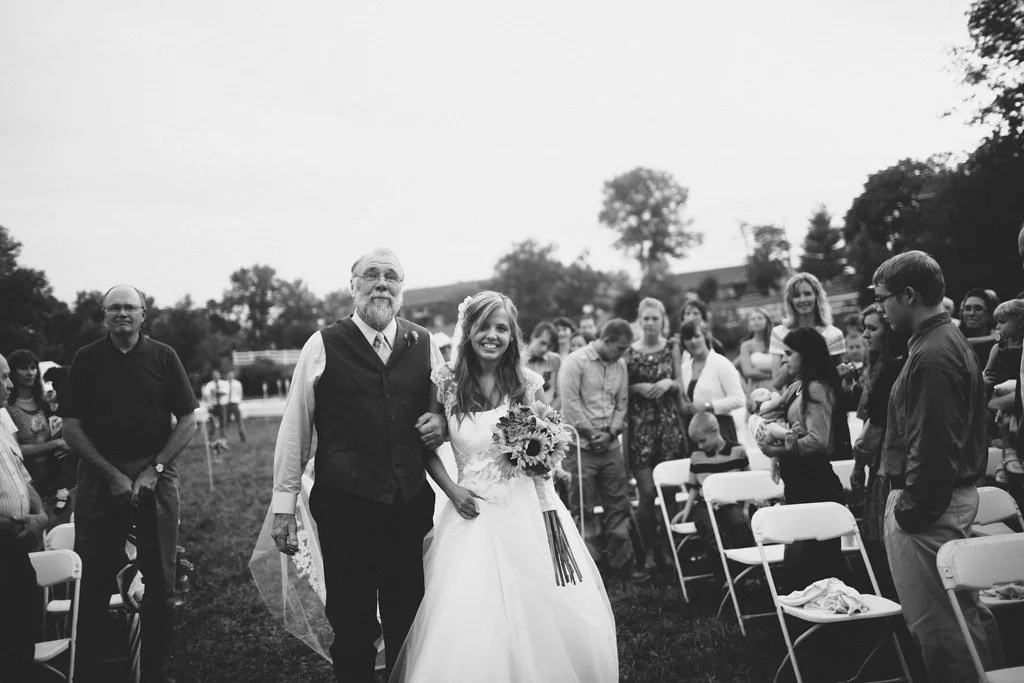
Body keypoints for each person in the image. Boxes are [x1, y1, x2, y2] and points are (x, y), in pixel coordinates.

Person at [390, 291, 617, 682]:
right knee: (474, 615)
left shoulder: (527, 384)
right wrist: (453, 491)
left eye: (501, 328)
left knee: (540, 607)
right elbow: (424, 449)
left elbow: (549, 443)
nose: (492, 336)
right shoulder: (445, 382)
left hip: (526, 511)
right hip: (471, 514)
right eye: (483, 327)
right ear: (468, 331)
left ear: (512, 335)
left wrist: (544, 458)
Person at [270, 247, 447, 681]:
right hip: (345, 507)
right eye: (371, 274)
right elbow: (295, 427)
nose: (382, 283)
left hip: (408, 505)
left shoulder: (425, 344)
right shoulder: (322, 345)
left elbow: (446, 409)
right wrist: (283, 506)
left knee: (409, 617)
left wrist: (441, 423)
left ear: (402, 289)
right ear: (353, 286)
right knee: (352, 624)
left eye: (392, 276)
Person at [873, 251, 1003, 682]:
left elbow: (933, 446)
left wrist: (909, 512)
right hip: (941, 503)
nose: (880, 308)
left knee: (942, 631)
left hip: (930, 510)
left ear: (909, 295)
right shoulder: (942, 341)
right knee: (963, 618)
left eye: (883, 298)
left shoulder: (932, 354)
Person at [59, 284, 199, 683]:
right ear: (104, 315)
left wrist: (154, 470)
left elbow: (188, 420)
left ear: (143, 314)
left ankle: (154, 670)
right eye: (114, 308)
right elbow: (71, 428)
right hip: (99, 476)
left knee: (161, 578)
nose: (122, 313)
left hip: (156, 473)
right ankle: (90, 670)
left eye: (129, 307)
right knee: (93, 575)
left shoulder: (164, 356)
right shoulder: (86, 359)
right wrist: (112, 475)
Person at [760, 327, 849, 592]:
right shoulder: (797, 387)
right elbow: (772, 414)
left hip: (815, 483)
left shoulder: (816, 388)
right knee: (803, 560)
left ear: (806, 354)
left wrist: (779, 451)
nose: (783, 359)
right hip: (798, 482)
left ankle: (827, 609)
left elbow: (820, 441)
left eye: (789, 353)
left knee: (813, 562)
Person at [559, 318, 643, 581]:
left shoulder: (620, 364)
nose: (624, 353)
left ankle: (622, 564)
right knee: (582, 507)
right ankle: (590, 567)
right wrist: (591, 433)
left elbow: (622, 402)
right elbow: (570, 403)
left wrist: (611, 433)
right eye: (621, 348)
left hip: (610, 445)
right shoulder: (575, 362)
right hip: (580, 447)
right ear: (606, 340)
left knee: (618, 503)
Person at [848, 306, 907, 597]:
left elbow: (876, 426)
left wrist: (858, 464)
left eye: (872, 328)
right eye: (864, 328)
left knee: (883, 542)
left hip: (886, 462)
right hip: (888, 460)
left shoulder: (889, 369)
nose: (865, 335)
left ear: (889, 331)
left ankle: (891, 603)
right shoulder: (886, 363)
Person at [625, 297, 686, 572]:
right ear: (640, 320)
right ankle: (648, 551)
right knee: (647, 493)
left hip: (668, 426)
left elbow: (680, 383)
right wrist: (637, 388)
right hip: (641, 429)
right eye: (646, 318)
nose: (650, 323)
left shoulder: (671, 347)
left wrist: (669, 382)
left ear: (663, 321)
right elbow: (622, 390)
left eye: (655, 318)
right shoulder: (629, 352)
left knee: (670, 494)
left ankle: (669, 549)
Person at [0, 352, 49, 682]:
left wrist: (40, 515)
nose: (9, 384)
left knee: (26, 625)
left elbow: (22, 475)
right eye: (3, 377)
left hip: (18, 544)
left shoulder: (3, 421)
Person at [6, 348, 75, 523]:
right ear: (12, 373)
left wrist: (65, 442)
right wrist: (56, 444)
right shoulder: (7, 409)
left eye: (33, 367)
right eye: (23, 368)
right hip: (28, 488)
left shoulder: (44, 403)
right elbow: (14, 450)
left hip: (57, 483)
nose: (30, 373)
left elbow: (55, 435)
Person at [681, 413, 753, 572]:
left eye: (702, 440)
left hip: (730, 503)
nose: (700, 446)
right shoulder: (696, 457)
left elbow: (748, 481)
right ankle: (722, 568)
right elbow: (694, 487)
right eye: (697, 442)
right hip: (705, 504)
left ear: (715, 430)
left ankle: (745, 570)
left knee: (739, 524)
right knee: (707, 528)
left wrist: (746, 508)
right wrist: (686, 510)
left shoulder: (738, 451)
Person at [769, 272, 845, 390]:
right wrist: (798, 351)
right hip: (793, 399)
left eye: (807, 294)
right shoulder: (779, 333)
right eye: (796, 295)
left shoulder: (833, 334)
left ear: (817, 296)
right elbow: (777, 383)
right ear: (790, 300)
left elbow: (841, 379)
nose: (802, 299)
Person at [679, 319, 745, 446]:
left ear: (706, 336)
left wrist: (707, 406)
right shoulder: (684, 368)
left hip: (720, 428)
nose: (693, 341)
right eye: (688, 338)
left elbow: (738, 399)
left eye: (697, 336)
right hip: (695, 432)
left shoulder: (721, 363)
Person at [958, 288, 999, 367]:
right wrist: (992, 337)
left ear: (989, 313)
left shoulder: (998, 345)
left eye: (978, 308)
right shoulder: (953, 333)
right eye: (967, 308)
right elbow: (958, 343)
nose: (971, 313)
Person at [524, 321, 561, 408]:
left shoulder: (554, 360)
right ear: (533, 337)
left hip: (549, 411)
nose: (544, 349)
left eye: (549, 346)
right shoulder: (517, 359)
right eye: (543, 343)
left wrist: (548, 413)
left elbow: (560, 394)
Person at [738, 307, 774, 394]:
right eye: (753, 319)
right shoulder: (746, 346)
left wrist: (758, 370)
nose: (756, 321)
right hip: (757, 388)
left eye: (760, 318)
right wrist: (773, 373)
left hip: (777, 385)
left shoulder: (775, 342)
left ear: (767, 321)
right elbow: (748, 371)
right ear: (749, 323)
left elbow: (784, 365)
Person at [202, 370, 228, 448]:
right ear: (212, 376)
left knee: (223, 423)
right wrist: (210, 402)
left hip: (222, 405)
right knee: (212, 424)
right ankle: (210, 441)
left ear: (219, 375)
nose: (216, 376)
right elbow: (206, 394)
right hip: (212, 406)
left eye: (217, 375)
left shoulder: (224, 383)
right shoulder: (209, 384)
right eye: (214, 375)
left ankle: (223, 440)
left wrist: (215, 392)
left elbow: (225, 392)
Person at [222, 370, 246, 443]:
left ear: (233, 375)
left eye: (231, 375)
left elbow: (240, 393)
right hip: (226, 404)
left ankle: (242, 437)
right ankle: (224, 438)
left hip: (234, 404)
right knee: (225, 422)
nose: (230, 376)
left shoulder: (237, 383)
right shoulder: (224, 384)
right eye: (229, 375)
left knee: (239, 421)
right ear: (227, 376)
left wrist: (238, 401)